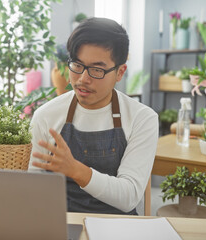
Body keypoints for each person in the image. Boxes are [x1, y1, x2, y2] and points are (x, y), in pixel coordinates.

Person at [28, 17, 158, 215]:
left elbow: (129, 196)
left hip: (118, 226)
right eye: (77, 66)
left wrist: (77, 171)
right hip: (61, 223)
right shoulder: (46, 115)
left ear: (120, 72)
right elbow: (34, 190)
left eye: (97, 70)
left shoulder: (142, 118)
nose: (83, 79)